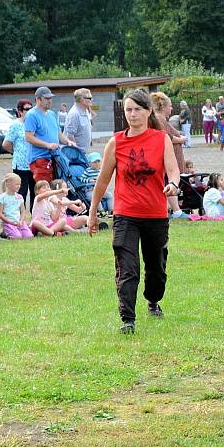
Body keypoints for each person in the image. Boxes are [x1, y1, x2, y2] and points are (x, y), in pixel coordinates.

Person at [88, 88, 182, 335]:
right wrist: (93, 211)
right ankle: (128, 318)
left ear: (148, 111)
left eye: (137, 110)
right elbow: (102, 180)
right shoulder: (116, 142)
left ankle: (153, 300)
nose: (132, 115)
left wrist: (173, 184)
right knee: (127, 267)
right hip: (125, 214)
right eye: (128, 110)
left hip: (155, 214)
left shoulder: (160, 139)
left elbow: (173, 171)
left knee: (156, 269)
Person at [150, 92, 190, 220]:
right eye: (170, 106)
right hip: (165, 156)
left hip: (168, 154)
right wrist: (181, 140)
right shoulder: (158, 118)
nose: (171, 109)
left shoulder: (161, 119)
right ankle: (176, 211)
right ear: (163, 106)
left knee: (168, 182)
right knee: (169, 182)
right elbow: (165, 136)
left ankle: (174, 210)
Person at [25, 87, 75, 182]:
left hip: (55, 157)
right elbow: (28, 137)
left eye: (51, 98)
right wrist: (48, 145)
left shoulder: (52, 114)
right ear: (38, 99)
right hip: (40, 159)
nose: (50, 101)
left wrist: (68, 142)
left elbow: (59, 134)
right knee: (45, 191)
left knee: (56, 189)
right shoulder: (32, 115)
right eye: (47, 99)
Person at [3, 100, 36, 210]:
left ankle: (35, 219)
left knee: (35, 193)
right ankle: (19, 219)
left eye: (31, 109)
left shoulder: (34, 123)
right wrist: (16, 152)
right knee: (21, 194)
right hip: (21, 166)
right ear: (20, 111)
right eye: (27, 109)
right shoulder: (16, 125)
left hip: (34, 164)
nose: (30, 111)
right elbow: (6, 144)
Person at [0, 172, 34, 240]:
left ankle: (16, 231)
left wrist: (21, 221)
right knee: (17, 237)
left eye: (19, 184)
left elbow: (23, 211)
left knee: (29, 236)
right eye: (16, 184)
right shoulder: (3, 197)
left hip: (19, 222)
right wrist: (9, 221)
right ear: (8, 184)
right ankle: (5, 232)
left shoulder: (19, 197)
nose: (19, 186)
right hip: (8, 223)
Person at [63, 88, 94, 153]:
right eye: (90, 98)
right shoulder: (74, 114)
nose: (92, 100)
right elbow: (69, 136)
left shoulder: (86, 110)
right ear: (82, 100)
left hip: (82, 152)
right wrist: (78, 152)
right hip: (75, 154)